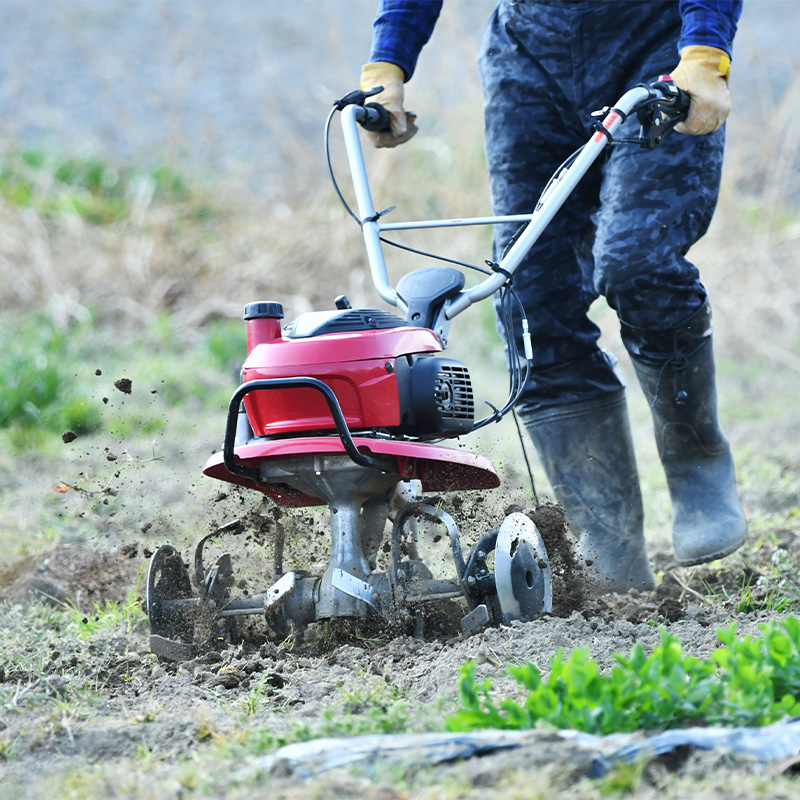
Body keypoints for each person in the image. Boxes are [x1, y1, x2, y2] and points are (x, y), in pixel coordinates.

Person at [359, 0, 747, 593]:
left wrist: (704, 50)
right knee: (529, 301)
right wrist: (389, 60)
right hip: (530, 54)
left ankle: (697, 462)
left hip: (655, 40)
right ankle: (607, 548)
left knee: (637, 264)